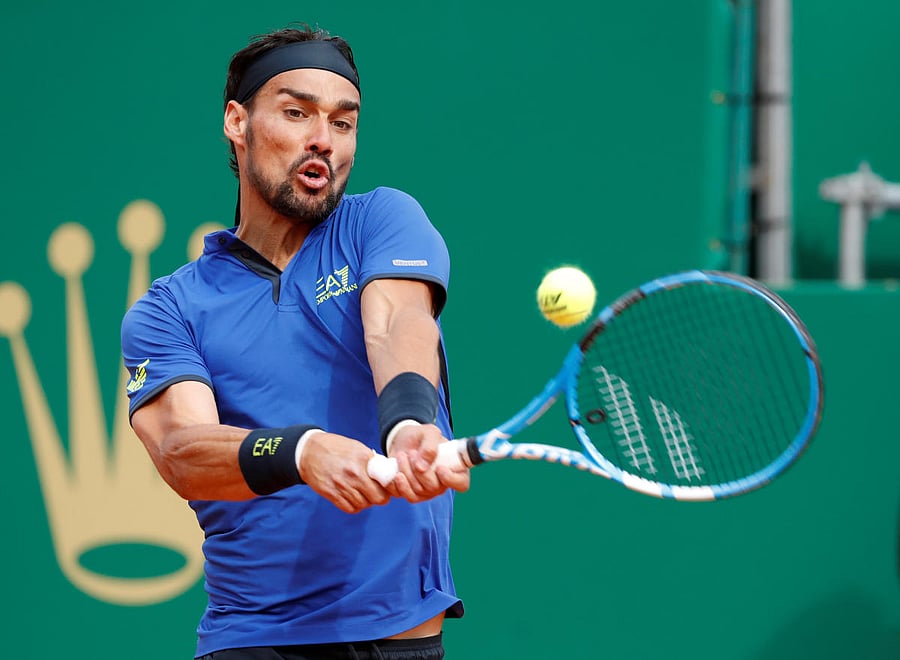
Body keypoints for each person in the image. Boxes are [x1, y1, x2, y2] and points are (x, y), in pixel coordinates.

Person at [121, 24, 470, 660]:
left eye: (343, 122)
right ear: (237, 121)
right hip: (255, 641)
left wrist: (409, 424)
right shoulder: (170, 307)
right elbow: (182, 451)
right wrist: (301, 451)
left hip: (401, 639)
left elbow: (395, 322)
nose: (322, 140)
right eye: (295, 112)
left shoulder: (380, 220)